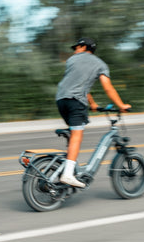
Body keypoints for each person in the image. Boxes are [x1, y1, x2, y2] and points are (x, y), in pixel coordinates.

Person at [56, 38, 131, 188]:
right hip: (76, 101)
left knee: (73, 131)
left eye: (76, 47)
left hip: (61, 99)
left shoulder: (72, 60)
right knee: (77, 134)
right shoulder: (100, 64)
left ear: (84, 47)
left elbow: (75, 84)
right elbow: (108, 88)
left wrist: (92, 104)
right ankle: (68, 174)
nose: (74, 50)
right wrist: (121, 105)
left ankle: (69, 166)